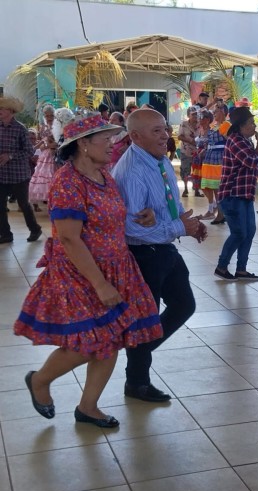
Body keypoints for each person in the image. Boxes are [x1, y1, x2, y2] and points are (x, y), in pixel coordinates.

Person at [14, 112, 163, 428]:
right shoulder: (67, 182)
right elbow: (69, 238)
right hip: (82, 274)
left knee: (112, 338)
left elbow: (108, 215)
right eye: (105, 139)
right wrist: (100, 284)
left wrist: (142, 215)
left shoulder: (103, 174)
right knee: (91, 342)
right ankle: (39, 380)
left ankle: (88, 407)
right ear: (83, 144)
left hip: (116, 267)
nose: (112, 144)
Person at [113, 109, 207, 402]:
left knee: (183, 304)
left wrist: (187, 223)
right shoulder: (132, 171)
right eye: (156, 131)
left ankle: (138, 349)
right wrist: (179, 227)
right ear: (135, 136)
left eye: (164, 129)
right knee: (146, 317)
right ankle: (137, 381)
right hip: (142, 255)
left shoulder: (159, 158)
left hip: (163, 247)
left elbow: (168, 201)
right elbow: (131, 227)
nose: (165, 135)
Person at [214, 107, 258, 281]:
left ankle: (241, 269)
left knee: (249, 231)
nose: (254, 126)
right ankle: (221, 267)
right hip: (232, 195)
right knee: (239, 233)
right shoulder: (236, 141)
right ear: (241, 126)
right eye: (251, 123)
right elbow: (252, 161)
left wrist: (256, 147)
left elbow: (254, 161)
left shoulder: (244, 140)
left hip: (244, 194)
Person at [0, 96, 42, 244]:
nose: (0, 111)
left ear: (11, 111)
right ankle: (5, 234)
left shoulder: (20, 129)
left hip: (19, 175)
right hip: (2, 175)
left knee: (23, 204)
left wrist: (10, 156)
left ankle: (35, 229)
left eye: (2, 109)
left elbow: (29, 151)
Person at [201, 103, 230, 225]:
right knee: (211, 186)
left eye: (216, 111)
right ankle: (218, 211)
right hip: (210, 157)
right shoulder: (214, 126)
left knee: (218, 187)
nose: (214, 113)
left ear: (223, 112)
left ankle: (221, 214)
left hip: (219, 158)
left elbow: (230, 140)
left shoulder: (226, 125)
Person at [29, 104, 57, 212]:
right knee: (45, 178)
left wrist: (51, 145)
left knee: (55, 178)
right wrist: (45, 146)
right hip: (46, 155)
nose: (49, 118)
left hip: (56, 154)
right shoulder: (43, 127)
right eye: (47, 116)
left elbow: (58, 141)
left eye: (51, 115)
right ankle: (50, 204)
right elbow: (43, 142)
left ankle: (55, 204)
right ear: (44, 116)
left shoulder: (58, 125)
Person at [178, 106, 203, 197]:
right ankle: (185, 189)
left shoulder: (200, 124)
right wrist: (191, 141)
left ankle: (196, 190)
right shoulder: (184, 124)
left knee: (197, 171)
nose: (195, 116)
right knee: (185, 170)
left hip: (197, 152)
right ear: (188, 115)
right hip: (186, 151)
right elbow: (179, 136)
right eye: (193, 115)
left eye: (196, 114)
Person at [192, 109, 212, 214]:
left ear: (208, 120)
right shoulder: (200, 131)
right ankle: (213, 204)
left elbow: (211, 145)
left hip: (206, 160)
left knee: (206, 184)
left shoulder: (211, 131)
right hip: (198, 160)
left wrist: (203, 150)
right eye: (199, 118)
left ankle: (212, 206)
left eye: (202, 118)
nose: (200, 120)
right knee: (200, 184)